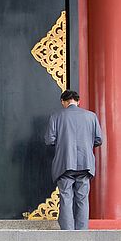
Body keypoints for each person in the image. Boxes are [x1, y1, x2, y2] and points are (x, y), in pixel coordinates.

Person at [44, 90, 103, 230]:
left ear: (63, 102)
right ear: (78, 101)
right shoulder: (91, 116)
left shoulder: (56, 116)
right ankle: (82, 232)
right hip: (85, 163)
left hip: (64, 163)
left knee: (66, 197)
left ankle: (68, 233)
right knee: (82, 199)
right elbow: (98, 140)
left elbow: (49, 140)